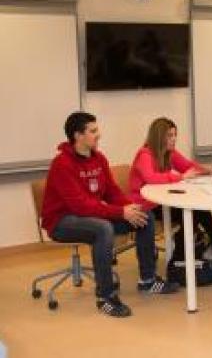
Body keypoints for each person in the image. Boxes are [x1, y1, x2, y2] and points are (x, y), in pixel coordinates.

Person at [42, 112, 178, 318]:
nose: (99, 134)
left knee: (145, 217)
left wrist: (130, 208)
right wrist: (120, 212)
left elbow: (111, 192)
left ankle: (148, 281)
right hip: (62, 221)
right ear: (78, 136)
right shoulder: (62, 164)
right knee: (102, 229)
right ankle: (105, 296)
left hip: (90, 215)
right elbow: (80, 206)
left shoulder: (99, 158)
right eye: (93, 131)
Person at [128, 117, 212, 275]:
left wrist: (209, 171)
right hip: (145, 205)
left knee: (197, 208)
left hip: (160, 201)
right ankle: (180, 258)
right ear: (159, 137)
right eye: (169, 136)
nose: (173, 139)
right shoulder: (144, 154)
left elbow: (187, 166)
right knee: (190, 213)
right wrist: (181, 177)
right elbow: (151, 178)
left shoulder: (169, 152)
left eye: (175, 135)